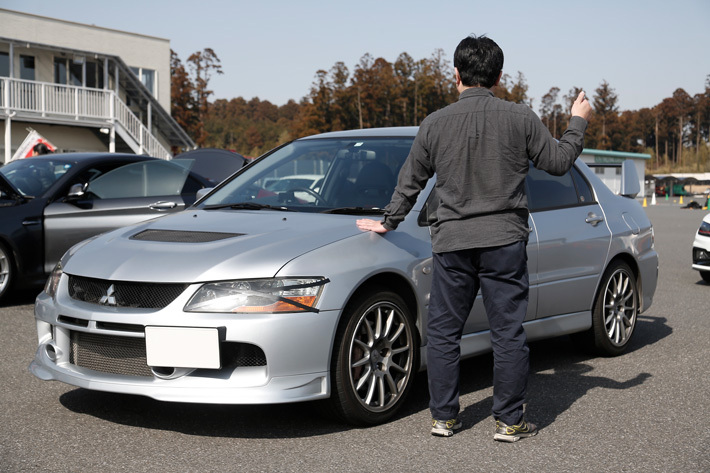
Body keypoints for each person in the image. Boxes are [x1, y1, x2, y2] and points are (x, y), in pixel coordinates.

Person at [356, 34, 592, 442]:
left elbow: (410, 180)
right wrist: (578, 121)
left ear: (455, 74)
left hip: (452, 243)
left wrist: (389, 221)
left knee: (445, 330)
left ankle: (444, 418)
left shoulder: (434, 123)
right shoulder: (520, 117)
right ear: (499, 76)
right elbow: (557, 162)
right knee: (508, 332)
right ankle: (508, 421)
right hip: (504, 240)